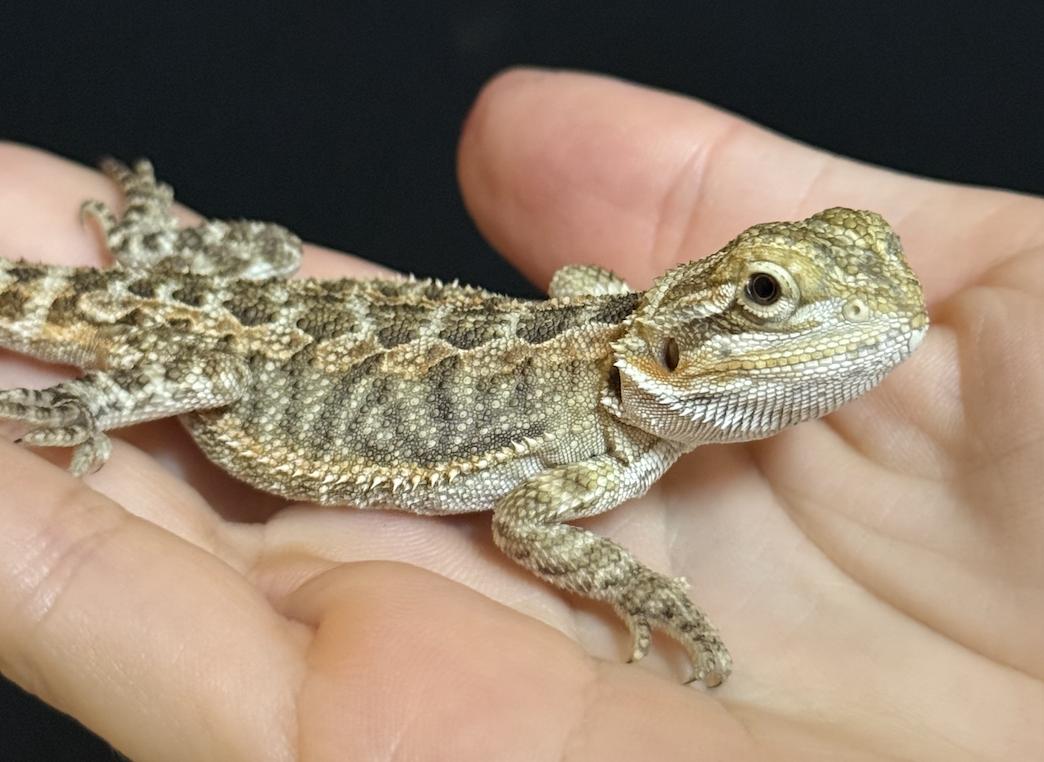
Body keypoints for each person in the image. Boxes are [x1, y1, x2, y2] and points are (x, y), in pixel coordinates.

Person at [0, 69, 1039, 760]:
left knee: (266, 254)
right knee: (243, 297)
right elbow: (523, 520)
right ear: (677, 345)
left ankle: (147, 270)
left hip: (273, 325)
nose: (886, 316)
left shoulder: (627, 396)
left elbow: (590, 285)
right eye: (766, 297)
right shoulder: (601, 441)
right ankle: (109, 360)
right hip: (233, 360)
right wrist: (646, 588)